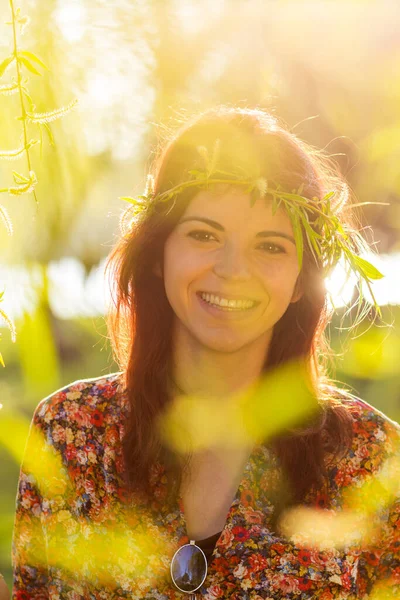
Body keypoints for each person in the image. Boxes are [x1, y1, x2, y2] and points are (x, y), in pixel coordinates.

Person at [12, 107, 399, 599]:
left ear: (303, 278)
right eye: (204, 235)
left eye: (271, 246)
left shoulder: (374, 459)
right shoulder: (69, 433)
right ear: (158, 252)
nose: (233, 269)